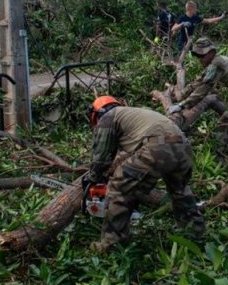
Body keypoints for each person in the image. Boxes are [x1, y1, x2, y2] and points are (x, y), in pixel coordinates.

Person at [84, 96, 205, 253]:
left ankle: (111, 244)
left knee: (118, 188)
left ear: (96, 112)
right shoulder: (132, 114)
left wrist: (93, 177)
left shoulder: (108, 117)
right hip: (184, 148)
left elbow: (101, 157)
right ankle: (196, 234)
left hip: (157, 147)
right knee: (180, 191)